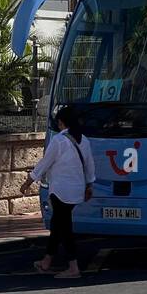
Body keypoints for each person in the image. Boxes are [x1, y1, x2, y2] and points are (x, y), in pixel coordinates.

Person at [23, 106, 95, 279]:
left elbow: (44, 163)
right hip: (76, 189)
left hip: (60, 190)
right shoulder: (83, 140)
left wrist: (29, 181)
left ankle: (73, 267)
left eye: (59, 123)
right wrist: (89, 185)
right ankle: (46, 261)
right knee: (58, 225)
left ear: (62, 123)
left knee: (65, 228)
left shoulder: (58, 141)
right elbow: (89, 165)